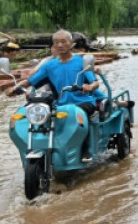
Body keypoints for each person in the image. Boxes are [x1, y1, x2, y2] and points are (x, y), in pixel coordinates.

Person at [6, 29, 102, 161]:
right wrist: (16, 88)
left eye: (63, 41)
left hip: (82, 102)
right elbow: (31, 80)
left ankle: (85, 149)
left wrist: (89, 86)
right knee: (41, 117)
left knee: (80, 116)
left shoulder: (81, 62)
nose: (60, 45)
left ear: (71, 43)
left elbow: (95, 83)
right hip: (61, 103)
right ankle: (42, 147)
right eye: (56, 42)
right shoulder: (49, 65)